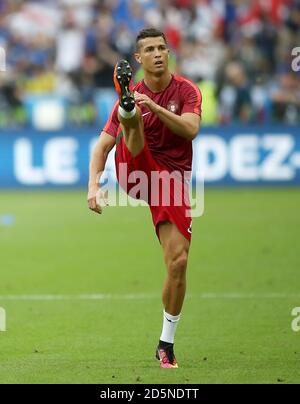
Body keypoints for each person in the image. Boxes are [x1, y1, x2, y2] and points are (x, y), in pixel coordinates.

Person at [87, 28, 202, 368]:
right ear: (138, 58)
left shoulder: (186, 90)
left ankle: (165, 343)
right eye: (150, 49)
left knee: (178, 262)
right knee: (133, 119)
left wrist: (156, 106)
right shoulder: (138, 93)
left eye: (162, 48)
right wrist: (94, 185)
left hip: (172, 180)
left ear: (168, 53)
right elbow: (102, 146)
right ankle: (127, 111)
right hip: (136, 170)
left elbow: (191, 129)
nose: (157, 53)